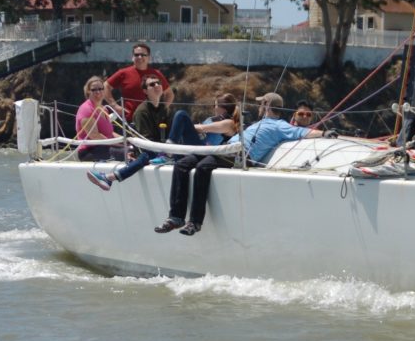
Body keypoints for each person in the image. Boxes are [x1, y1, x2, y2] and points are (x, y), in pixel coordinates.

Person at [154, 92, 330, 236]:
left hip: (238, 155)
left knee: (203, 167)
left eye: (262, 104)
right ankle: (176, 217)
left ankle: (195, 222)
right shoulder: (259, 123)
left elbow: (302, 131)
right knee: (182, 164)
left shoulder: (280, 125)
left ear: (267, 105)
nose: (260, 107)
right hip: (224, 149)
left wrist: (325, 133)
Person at [88, 92, 241, 191]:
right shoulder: (217, 120)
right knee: (147, 155)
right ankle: (111, 178)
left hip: (205, 154)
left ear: (220, 107)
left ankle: (167, 151)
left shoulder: (229, 123)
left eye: (215, 106)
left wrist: (181, 127)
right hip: (194, 151)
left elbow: (200, 129)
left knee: (181, 115)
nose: (213, 109)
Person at [86, 76, 170, 188]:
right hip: (93, 150)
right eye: (152, 84)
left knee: (134, 153)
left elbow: (110, 133)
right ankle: (109, 177)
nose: (156, 85)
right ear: (145, 91)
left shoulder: (164, 109)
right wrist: (126, 146)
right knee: (140, 155)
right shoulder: (142, 112)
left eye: (158, 83)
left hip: (162, 148)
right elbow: (95, 135)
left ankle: (109, 177)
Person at [104, 42, 174, 122]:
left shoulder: (156, 74)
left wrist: (162, 109)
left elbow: (169, 94)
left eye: (143, 55)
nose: (140, 57)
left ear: (149, 57)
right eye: (136, 55)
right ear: (132, 57)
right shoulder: (123, 73)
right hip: (130, 122)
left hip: (152, 121)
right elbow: (105, 86)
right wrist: (114, 106)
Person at [74, 76, 116, 161]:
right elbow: (94, 135)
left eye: (101, 89)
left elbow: (111, 133)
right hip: (90, 151)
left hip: (105, 147)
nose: (98, 92)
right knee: (126, 153)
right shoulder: (86, 109)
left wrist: (126, 140)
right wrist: (117, 144)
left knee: (131, 149)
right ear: (88, 91)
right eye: (94, 90)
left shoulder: (104, 109)